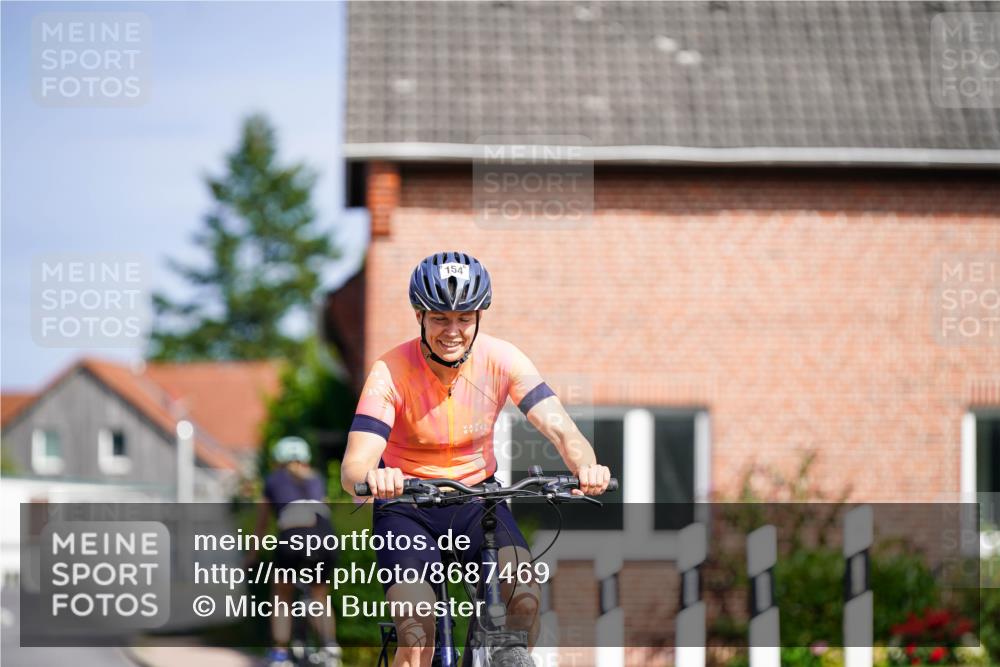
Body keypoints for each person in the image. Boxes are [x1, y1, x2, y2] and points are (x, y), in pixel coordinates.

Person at [341, 251, 611, 667]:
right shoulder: (389, 372)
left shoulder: (502, 359)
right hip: (406, 507)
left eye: (464, 318)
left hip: (477, 502)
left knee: (523, 597)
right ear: (419, 316)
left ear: (479, 316)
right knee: (416, 634)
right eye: (439, 318)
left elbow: (561, 428)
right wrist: (373, 478)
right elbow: (355, 464)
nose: (453, 331)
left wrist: (585, 465)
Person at [252, 436, 342, 667]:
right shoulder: (317, 478)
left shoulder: (273, 480)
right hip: (324, 536)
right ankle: (330, 647)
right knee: (320, 596)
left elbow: (262, 524)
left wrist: (252, 555)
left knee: (282, 597)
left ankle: (280, 654)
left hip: (292, 538)